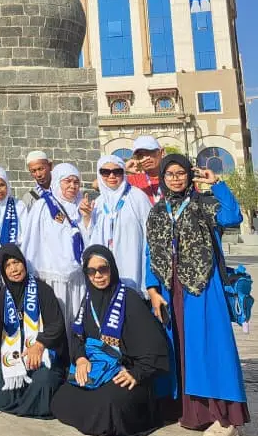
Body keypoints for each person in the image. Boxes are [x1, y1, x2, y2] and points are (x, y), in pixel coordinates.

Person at [145, 155, 249, 436]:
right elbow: (150, 252)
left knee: (211, 347)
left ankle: (227, 419)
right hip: (170, 287)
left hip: (203, 285)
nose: (176, 178)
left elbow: (232, 216)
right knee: (182, 349)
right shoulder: (157, 212)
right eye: (170, 174)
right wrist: (152, 289)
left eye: (181, 173)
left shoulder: (203, 204)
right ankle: (196, 414)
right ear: (163, 177)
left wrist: (215, 184)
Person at [51, 246, 169, 436]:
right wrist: (80, 358)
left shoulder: (129, 299)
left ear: (112, 269)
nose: (97, 275)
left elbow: (155, 346)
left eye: (103, 269)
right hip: (97, 369)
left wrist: (136, 374)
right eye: (91, 271)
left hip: (126, 372)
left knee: (108, 406)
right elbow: (77, 336)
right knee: (61, 398)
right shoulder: (88, 300)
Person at [0, 244, 67, 417]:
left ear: (24, 263)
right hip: (16, 353)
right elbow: (0, 331)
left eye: (16, 262)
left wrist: (39, 345)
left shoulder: (42, 290)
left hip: (43, 350)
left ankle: (30, 402)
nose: (13, 269)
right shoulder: (3, 295)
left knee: (43, 382)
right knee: (1, 396)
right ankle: (26, 403)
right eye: (7, 266)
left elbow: (56, 325)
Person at [23, 162, 88, 333]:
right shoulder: (43, 206)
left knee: (76, 324)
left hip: (78, 277)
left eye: (76, 182)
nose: (72, 186)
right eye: (67, 181)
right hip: (51, 276)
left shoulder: (83, 206)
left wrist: (87, 218)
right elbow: (32, 240)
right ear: (58, 182)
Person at [86, 155, 150, 293]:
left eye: (117, 171)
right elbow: (92, 236)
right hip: (105, 271)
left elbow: (149, 233)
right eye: (105, 172)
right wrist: (86, 217)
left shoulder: (138, 197)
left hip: (132, 264)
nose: (111, 176)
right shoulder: (98, 202)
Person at [125, 135, 164, 205]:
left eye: (150, 152)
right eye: (140, 155)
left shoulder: (174, 177)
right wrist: (123, 168)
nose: (146, 158)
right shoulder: (132, 180)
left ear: (161, 152)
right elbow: (99, 185)